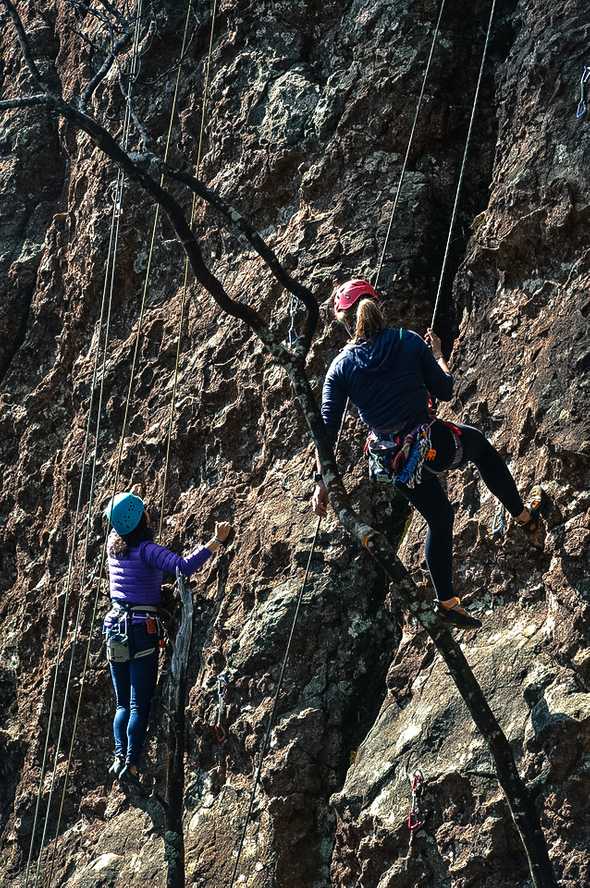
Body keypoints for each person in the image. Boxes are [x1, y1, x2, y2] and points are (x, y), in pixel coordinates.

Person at [312, 279, 545, 630]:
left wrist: (322, 482)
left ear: (346, 322)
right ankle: (524, 516)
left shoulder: (341, 368)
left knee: (439, 517)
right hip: (429, 444)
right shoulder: (406, 341)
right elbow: (446, 390)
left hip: (391, 459)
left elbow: (326, 432)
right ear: (377, 306)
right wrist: (436, 354)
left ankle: (447, 601)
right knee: (480, 448)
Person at [102, 491, 231, 783]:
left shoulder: (113, 546)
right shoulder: (147, 550)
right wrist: (216, 541)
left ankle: (119, 756)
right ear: (140, 520)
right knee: (138, 704)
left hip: (113, 626)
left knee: (122, 704)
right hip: (139, 628)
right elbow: (183, 567)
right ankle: (132, 762)